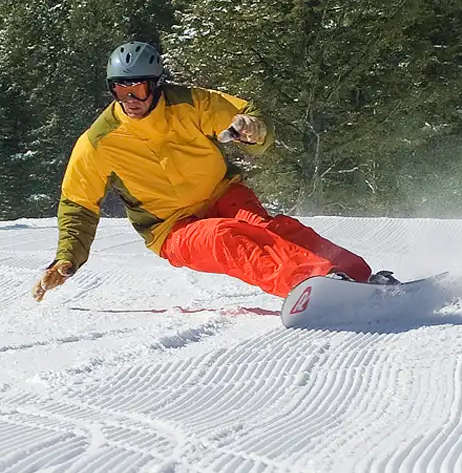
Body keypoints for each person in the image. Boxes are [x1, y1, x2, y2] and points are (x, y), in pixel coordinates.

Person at [32, 41, 384, 303]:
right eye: (119, 89)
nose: (130, 99)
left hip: (221, 193)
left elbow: (244, 115)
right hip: (171, 228)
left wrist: (252, 128)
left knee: (268, 228)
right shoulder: (99, 140)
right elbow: (78, 203)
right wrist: (67, 259)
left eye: (137, 88)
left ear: (154, 85)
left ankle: (355, 276)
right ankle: (316, 287)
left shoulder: (189, 103)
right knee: (225, 238)